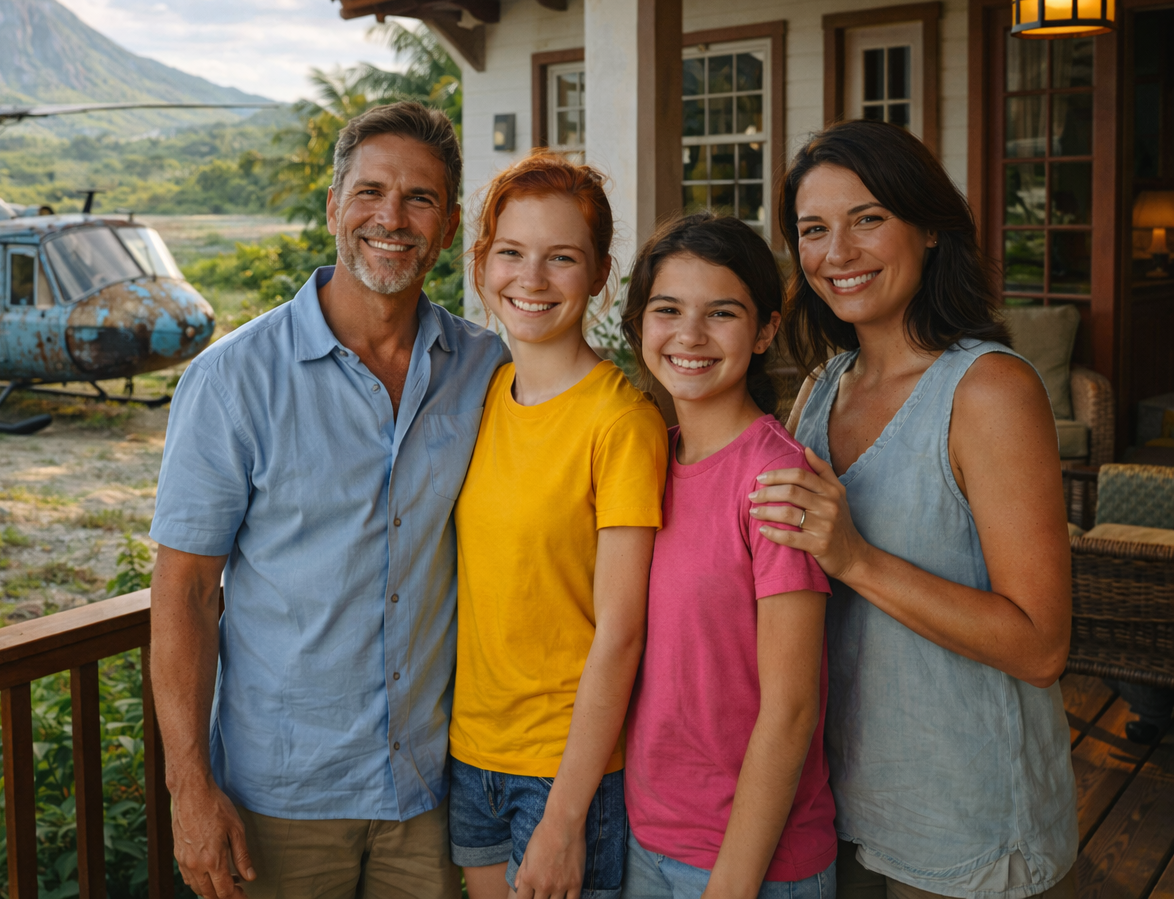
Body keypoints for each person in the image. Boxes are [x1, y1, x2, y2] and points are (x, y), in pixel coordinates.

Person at [149, 101, 509, 899]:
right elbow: (185, 593)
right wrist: (189, 791)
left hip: (429, 791)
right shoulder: (233, 378)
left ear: (448, 226)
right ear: (333, 208)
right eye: (371, 192)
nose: (393, 217)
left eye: (419, 199)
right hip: (279, 798)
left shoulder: (486, 367)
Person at [748, 120, 1077, 899]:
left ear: (929, 227)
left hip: (968, 829)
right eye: (814, 230)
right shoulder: (823, 388)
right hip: (844, 805)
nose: (839, 253)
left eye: (868, 219)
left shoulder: (990, 391)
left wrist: (857, 558)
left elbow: (1040, 646)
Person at [448, 152, 665, 899]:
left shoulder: (621, 421)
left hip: (567, 770)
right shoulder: (481, 391)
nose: (531, 280)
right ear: (482, 263)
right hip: (470, 753)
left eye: (561, 258)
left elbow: (622, 632)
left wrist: (566, 818)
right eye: (511, 252)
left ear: (600, 274)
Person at [618, 213, 836, 899]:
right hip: (646, 837)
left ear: (767, 329)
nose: (690, 335)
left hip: (752, 864)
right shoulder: (651, 457)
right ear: (639, 323)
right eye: (668, 310)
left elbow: (792, 708)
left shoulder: (775, 483)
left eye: (722, 313)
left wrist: (733, 884)